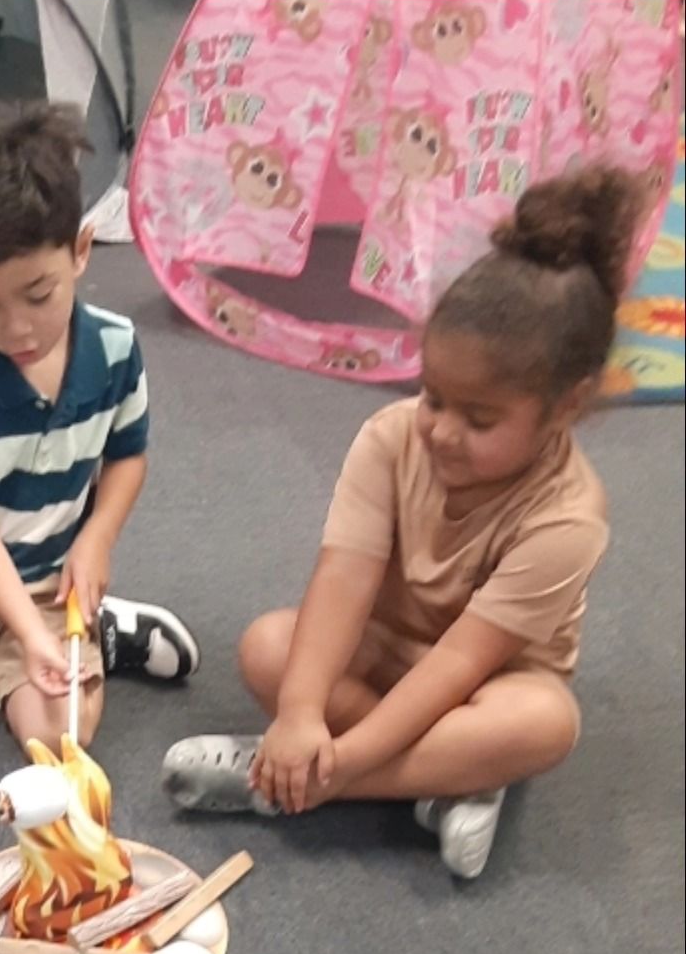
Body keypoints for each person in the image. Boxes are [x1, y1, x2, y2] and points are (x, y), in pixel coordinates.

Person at [163, 168, 643, 878]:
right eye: (433, 397)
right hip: (384, 653)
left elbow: (460, 663)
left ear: (566, 407)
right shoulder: (391, 438)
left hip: (487, 681)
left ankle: (296, 783)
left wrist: (334, 767)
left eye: (479, 419)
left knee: (545, 724)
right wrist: (299, 713)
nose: (442, 431)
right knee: (268, 649)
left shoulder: (569, 518)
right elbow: (343, 580)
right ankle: (452, 782)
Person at [0, 100, 199, 770]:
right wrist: (25, 630)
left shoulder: (115, 348)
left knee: (58, 742)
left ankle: (100, 630)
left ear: (80, 251)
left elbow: (128, 457)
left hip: (49, 580)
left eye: (38, 295)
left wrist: (96, 537)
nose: (17, 328)